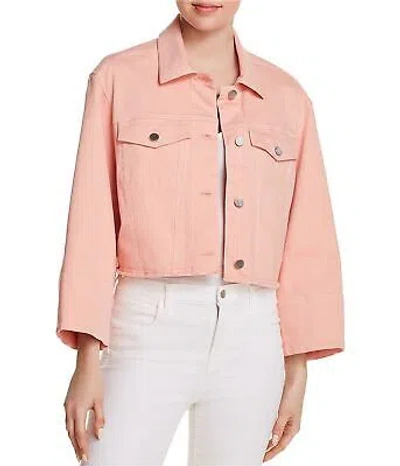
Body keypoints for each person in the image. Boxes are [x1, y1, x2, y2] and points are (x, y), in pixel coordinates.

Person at [57, 1, 345, 465]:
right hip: (146, 328)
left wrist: (297, 370)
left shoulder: (287, 97)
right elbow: (92, 222)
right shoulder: (118, 78)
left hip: (253, 337)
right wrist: (86, 358)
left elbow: (308, 237)